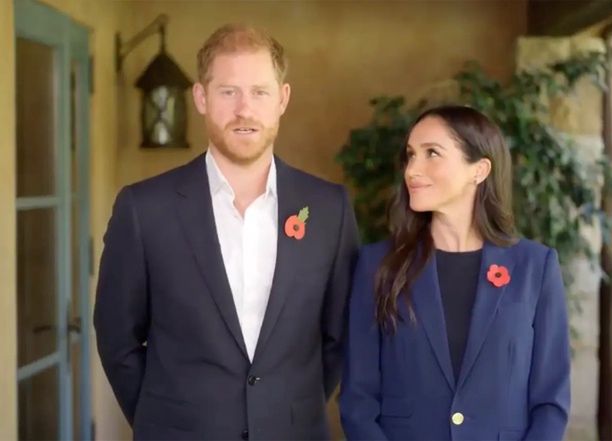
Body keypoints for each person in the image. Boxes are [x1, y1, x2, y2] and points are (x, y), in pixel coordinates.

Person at [94, 24, 359, 440]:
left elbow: (338, 335)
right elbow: (117, 339)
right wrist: (163, 420)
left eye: (259, 92)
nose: (245, 110)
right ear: (201, 97)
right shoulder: (144, 209)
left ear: (282, 99)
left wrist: (283, 410)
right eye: (228, 91)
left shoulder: (329, 209)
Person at [339, 105, 569, 441]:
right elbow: (358, 401)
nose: (412, 170)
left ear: (479, 170)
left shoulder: (535, 267)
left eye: (432, 153)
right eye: (410, 155)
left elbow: (551, 401)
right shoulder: (377, 265)